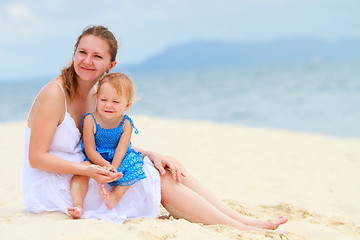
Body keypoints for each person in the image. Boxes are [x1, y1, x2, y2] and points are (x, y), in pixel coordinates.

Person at [23, 25, 288, 233]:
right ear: (74, 53)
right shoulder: (54, 94)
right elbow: (36, 158)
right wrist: (88, 169)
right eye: (82, 52)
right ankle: (238, 228)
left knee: (162, 168)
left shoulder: (95, 95)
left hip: (89, 167)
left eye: (97, 56)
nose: (87, 61)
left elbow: (106, 141)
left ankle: (239, 218)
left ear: (110, 65)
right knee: (155, 179)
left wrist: (151, 153)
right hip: (58, 182)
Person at [68, 72, 147, 218]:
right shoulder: (91, 120)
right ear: (97, 98)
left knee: (135, 164)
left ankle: (114, 197)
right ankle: (77, 204)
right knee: (82, 170)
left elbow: (121, 150)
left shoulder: (126, 123)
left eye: (116, 102)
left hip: (117, 157)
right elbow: (90, 150)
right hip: (96, 157)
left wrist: (114, 168)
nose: (108, 105)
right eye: (104, 100)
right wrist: (105, 165)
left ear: (127, 105)